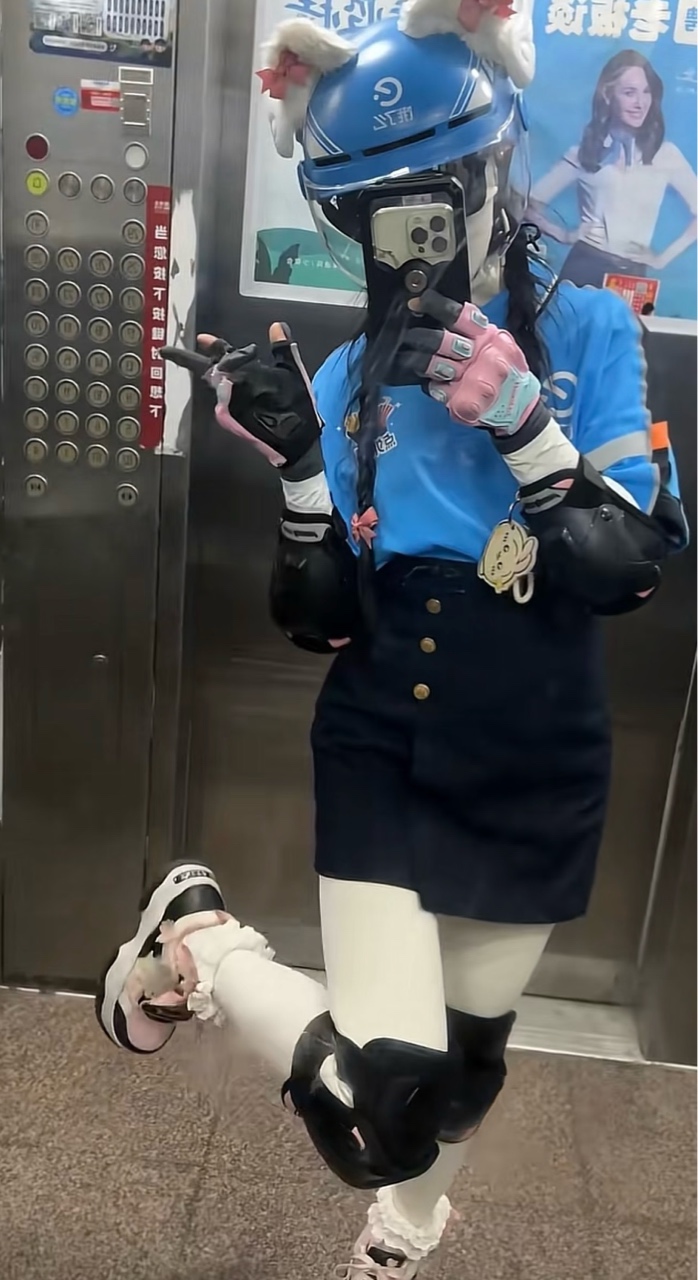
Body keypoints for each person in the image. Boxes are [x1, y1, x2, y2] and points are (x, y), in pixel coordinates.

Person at [97, 6, 688, 1278]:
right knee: (380, 1108)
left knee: (462, 1081)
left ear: (491, 172)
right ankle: (201, 941)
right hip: (383, 741)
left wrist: (523, 424)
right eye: (369, 215)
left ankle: (401, 1236)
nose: (404, 244)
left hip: (537, 753)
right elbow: (318, 619)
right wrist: (301, 473)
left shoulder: (592, 330)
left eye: (428, 200)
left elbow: (632, 568)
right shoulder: (347, 378)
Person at [528, 49, 698, 288]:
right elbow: (526, 204)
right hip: (584, 266)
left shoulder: (666, 155)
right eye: (629, 93)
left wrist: (662, 259)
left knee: (628, 316)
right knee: (569, 313)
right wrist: (562, 234)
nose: (640, 103)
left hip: (633, 274)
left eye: (646, 92)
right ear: (608, 95)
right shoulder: (585, 153)